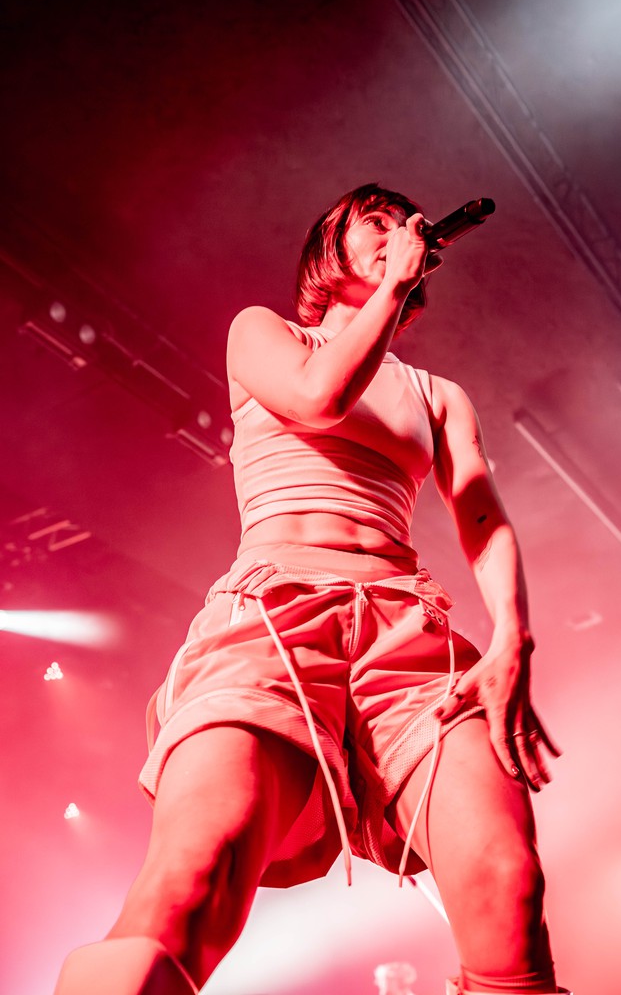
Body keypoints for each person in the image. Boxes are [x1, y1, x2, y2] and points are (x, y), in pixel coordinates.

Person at [55, 183, 570, 995]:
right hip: (274, 617)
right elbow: (318, 398)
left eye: (405, 222)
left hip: (407, 631)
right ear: (328, 248)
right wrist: (394, 285)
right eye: (376, 221)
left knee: (510, 885)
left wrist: (513, 637)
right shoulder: (264, 332)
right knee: (196, 878)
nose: (400, 228)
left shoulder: (439, 396)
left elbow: (481, 512)